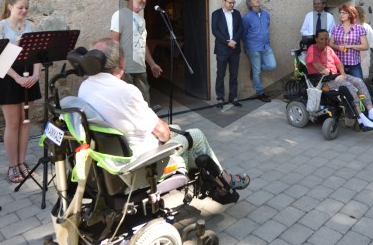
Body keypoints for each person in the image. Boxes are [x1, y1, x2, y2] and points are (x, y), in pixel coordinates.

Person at [77, 38, 250, 197]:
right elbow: (163, 134)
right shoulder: (125, 92)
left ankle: (215, 182)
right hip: (142, 160)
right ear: (121, 62)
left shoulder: (85, 87)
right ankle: (224, 180)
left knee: (180, 131)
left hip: (113, 156)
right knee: (195, 135)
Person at [0, 0, 41, 184]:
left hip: (29, 75)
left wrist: (36, 75)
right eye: (20, 7)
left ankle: (22, 162)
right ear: (10, 7)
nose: (24, 11)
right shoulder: (0, 26)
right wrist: (17, 77)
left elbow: (37, 53)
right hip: (8, 76)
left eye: (27, 7)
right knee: (12, 123)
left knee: (26, 121)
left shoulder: (31, 26)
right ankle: (13, 165)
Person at [306, 29, 373, 128]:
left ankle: (371, 110)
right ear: (316, 39)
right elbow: (318, 66)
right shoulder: (312, 50)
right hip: (323, 80)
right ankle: (360, 115)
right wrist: (333, 74)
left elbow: (338, 62)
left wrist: (342, 72)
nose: (325, 41)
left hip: (337, 76)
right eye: (322, 39)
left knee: (359, 81)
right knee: (348, 86)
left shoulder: (329, 49)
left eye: (327, 39)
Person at [110, 0, 162, 102]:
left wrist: (152, 64)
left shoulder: (141, 19)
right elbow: (113, 42)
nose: (144, 0)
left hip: (140, 69)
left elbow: (143, 44)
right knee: (127, 104)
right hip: (125, 69)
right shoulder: (120, 15)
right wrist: (118, 68)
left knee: (144, 102)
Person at [211, 0, 244, 108]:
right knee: (220, 75)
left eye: (233, 2)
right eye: (230, 2)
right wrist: (227, 42)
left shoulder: (237, 14)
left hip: (235, 49)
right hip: (222, 49)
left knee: (234, 75)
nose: (232, 5)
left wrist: (234, 40)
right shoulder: (216, 14)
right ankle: (220, 99)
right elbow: (215, 31)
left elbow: (241, 29)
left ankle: (233, 97)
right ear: (224, 2)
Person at [242, 0, 276, 102]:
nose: (257, 0)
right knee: (257, 73)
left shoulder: (266, 14)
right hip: (253, 47)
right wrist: (247, 47)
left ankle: (256, 69)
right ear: (250, 4)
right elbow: (243, 33)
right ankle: (260, 93)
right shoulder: (247, 17)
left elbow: (267, 27)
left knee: (272, 65)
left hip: (266, 46)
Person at [329, 4, 368, 80]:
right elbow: (330, 44)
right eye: (340, 12)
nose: (341, 14)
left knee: (359, 84)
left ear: (351, 14)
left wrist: (349, 46)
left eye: (344, 13)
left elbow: (365, 46)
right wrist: (337, 47)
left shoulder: (359, 28)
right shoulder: (336, 28)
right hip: (339, 64)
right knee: (339, 85)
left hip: (353, 64)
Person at [356, 6, 373, 81]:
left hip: (363, 56)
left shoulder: (366, 27)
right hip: (352, 58)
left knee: (360, 79)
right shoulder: (348, 27)